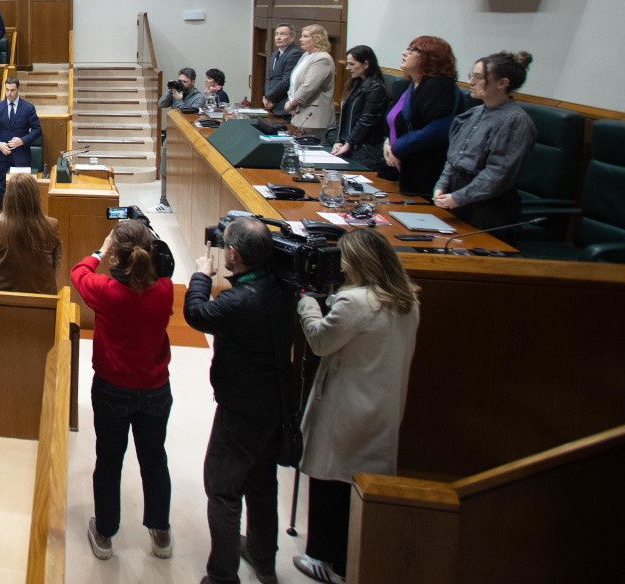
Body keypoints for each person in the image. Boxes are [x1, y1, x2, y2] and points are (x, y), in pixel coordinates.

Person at [292, 229, 420, 584]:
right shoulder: (407, 298)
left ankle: (321, 556)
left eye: (345, 259)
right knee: (357, 485)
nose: (342, 266)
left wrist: (307, 304)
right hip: (383, 403)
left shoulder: (355, 303)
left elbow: (319, 341)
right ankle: (350, 562)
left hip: (346, 404)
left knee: (329, 477)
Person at [183, 217, 296, 584]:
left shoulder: (238, 301)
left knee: (223, 489)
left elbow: (197, 313)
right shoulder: (282, 286)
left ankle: (221, 576)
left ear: (232, 254)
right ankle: (264, 560)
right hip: (272, 404)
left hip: (241, 409)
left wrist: (201, 276)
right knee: (262, 483)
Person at [72, 219, 175, 564]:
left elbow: (77, 272)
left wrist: (101, 252)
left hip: (112, 389)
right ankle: (160, 533)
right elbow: (161, 268)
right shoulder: (165, 289)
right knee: (155, 459)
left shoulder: (104, 290)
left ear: (116, 251)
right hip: (156, 389)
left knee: (109, 462)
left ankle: (104, 534)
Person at [433, 51, 538, 234]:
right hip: (459, 195)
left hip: (489, 206)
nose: (471, 82)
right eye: (471, 76)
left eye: (478, 77)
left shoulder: (515, 120)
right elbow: (454, 158)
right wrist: (442, 185)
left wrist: (459, 197)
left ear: (502, 83)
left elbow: (498, 173)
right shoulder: (473, 113)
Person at [380, 35, 462, 197]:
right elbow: (395, 120)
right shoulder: (409, 84)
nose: (404, 53)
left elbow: (439, 130)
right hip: (400, 167)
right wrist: (388, 142)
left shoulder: (439, 87)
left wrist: (399, 147)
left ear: (430, 58)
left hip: (426, 171)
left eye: (412, 50)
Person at [0, 173, 59, 293]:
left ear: (7, 197)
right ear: (36, 197)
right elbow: (55, 268)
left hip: (1, 296)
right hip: (42, 297)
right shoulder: (52, 225)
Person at [331, 45, 389, 170]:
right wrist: (339, 140)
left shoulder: (376, 87)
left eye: (351, 64)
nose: (347, 68)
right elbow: (345, 117)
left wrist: (349, 143)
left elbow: (366, 119)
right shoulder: (357, 83)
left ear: (366, 64)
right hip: (350, 145)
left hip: (364, 149)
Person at [0, 78, 42, 199]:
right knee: (4, 189)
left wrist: (22, 141)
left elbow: (37, 130)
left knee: (21, 191)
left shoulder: (28, 108)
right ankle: (5, 217)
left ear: (18, 89)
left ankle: (21, 218)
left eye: (12, 90)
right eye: (7, 90)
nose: (9, 93)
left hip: (21, 155)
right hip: (3, 155)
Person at [285, 23, 336, 140]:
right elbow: (294, 82)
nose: (301, 39)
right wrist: (290, 98)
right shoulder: (305, 56)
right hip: (299, 112)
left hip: (314, 116)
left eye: (305, 36)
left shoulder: (322, 58)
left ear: (317, 39)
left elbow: (309, 86)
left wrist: (292, 103)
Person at [263, 23, 303, 116]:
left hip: (284, 104)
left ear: (292, 38)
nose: (278, 37)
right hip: (273, 102)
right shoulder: (275, 53)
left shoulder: (294, 54)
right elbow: (270, 77)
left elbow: (286, 81)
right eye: (276, 34)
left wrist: (270, 97)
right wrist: (267, 96)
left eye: (283, 34)